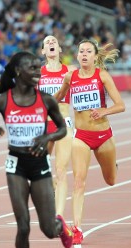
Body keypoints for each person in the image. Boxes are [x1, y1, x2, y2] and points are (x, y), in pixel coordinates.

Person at [0, 51, 73, 248]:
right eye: (32, 68)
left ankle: (60, 225)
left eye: (38, 68)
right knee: (22, 225)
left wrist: (46, 137)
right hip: (16, 164)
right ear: (19, 71)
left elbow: (62, 129)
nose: (38, 72)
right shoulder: (2, 101)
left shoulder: (46, 99)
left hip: (39, 164)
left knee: (47, 229)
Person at [55, 39, 125, 245]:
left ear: (95, 56)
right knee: (78, 182)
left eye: (88, 51)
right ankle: (77, 228)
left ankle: (113, 165)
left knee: (110, 180)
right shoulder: (70, 76)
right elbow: (59, 96)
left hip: (103, 136)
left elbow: (121, 105)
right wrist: (48, 100)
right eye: (81, 51)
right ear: (77, 56)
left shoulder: (102, 76)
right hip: (82, 137)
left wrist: (105, 110)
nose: (84, 54)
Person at [38, 35, 77, 217]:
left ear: (60, 49)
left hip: (63, 124)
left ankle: (58, 216)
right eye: (47, 42)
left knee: (61, 170)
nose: (51, 43)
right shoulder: (37, 73)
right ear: (43, 51)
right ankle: (52, 185)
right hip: (44, 125)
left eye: (54, 41)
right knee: (40, 169)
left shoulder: (70, 71)